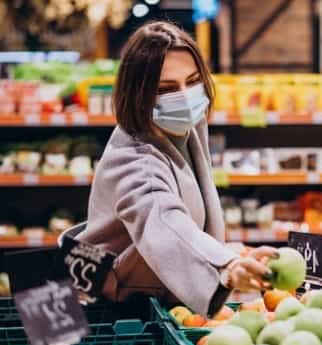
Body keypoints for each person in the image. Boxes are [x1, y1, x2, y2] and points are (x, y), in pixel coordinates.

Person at [76, 21, 275, 316]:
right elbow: (163, 220)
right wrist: (223, 265)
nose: (185, 96)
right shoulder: (135, 160)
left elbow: (186, 219)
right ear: (138, 94)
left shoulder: (183, 130)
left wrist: (231, 253)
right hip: (115, 312)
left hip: (154, 297)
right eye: (166, 88)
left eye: (193, 81)